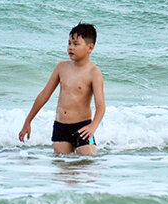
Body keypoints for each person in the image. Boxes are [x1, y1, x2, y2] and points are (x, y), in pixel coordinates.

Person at [19, 23, 105, 155]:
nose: (71, 47)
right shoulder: (61, 67)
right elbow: (44, 95)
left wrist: (93, 126)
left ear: (90, 48)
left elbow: (100, 106)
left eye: (76, 44)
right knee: (62, 166)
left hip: (83, 128)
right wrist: (28, 121)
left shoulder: (94, 72)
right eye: (69, 43)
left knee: (89, 162)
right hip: (61, 127)